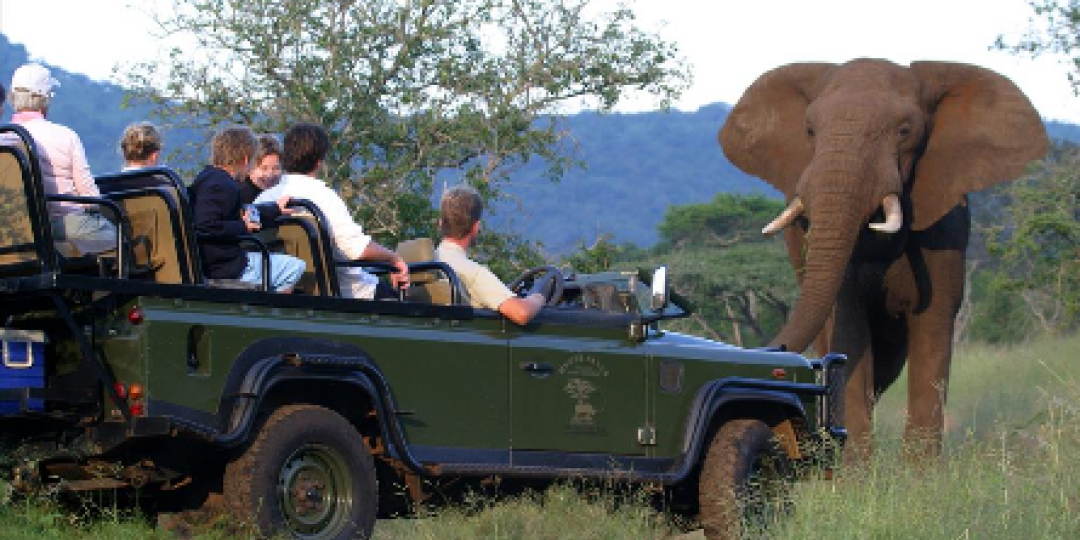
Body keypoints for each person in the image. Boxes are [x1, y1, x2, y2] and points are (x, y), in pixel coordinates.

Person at [254, 122, 409, 299]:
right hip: (347, 293)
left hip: (287, 290)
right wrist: (394, 258)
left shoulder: (264, 200)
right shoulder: (324, 197)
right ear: (319, 161)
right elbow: (357, 249)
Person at [9, 62, 116, 255]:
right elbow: (90, 197)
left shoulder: (4, 138)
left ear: (13, 98)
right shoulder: (66, 136)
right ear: (45, 99)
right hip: (63, 225)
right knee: (118, 236)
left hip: (15, 232)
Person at [189, 125, 305, 293]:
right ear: (245, 160)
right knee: (294, 267)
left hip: (217, 262)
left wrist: (275, 209)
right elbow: (205, 225)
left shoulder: (208, 177)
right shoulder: (223, 185)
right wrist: (242, 227)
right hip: (226, 267)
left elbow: (244, 213)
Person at [435, 185, 544, 325]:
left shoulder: (429, 260)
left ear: (441, 223)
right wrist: (538, 297)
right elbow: (521, 313)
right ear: (476, 227)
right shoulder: (472, 272)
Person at [239, 134, 282, 204]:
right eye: (263, 168)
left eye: (276, 168)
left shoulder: (284, 192)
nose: (270, 175)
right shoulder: (240, 197)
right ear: (249, 168)